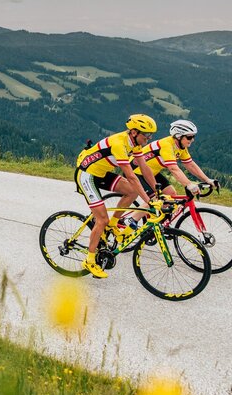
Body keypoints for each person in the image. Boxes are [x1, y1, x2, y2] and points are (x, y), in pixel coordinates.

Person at [74, 114, 158, 278]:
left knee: (132, 192)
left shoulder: (134, 144)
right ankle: (90, 261)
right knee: (101, 219)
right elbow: (132, 176)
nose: (149, 138)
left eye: (151, 135)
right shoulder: (119, 143)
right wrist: (148, 201)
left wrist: (156, 192)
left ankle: (112, 225)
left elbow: (144, 167)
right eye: (146, 135)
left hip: (101, 173)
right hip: (86, 175)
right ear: (134, 132)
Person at [133, 119, 217, 198]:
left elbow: (190, 165)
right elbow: (173, 169)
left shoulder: (180, 146)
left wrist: (207, 179)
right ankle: (136, 214)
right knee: (155, 201)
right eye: (189, 137)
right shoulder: (166, 145)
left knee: (171, 194)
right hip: (136, 172)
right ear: (179, 136)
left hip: (151, 173)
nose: (192, 140)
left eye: (193, 136)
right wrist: (188, 184)